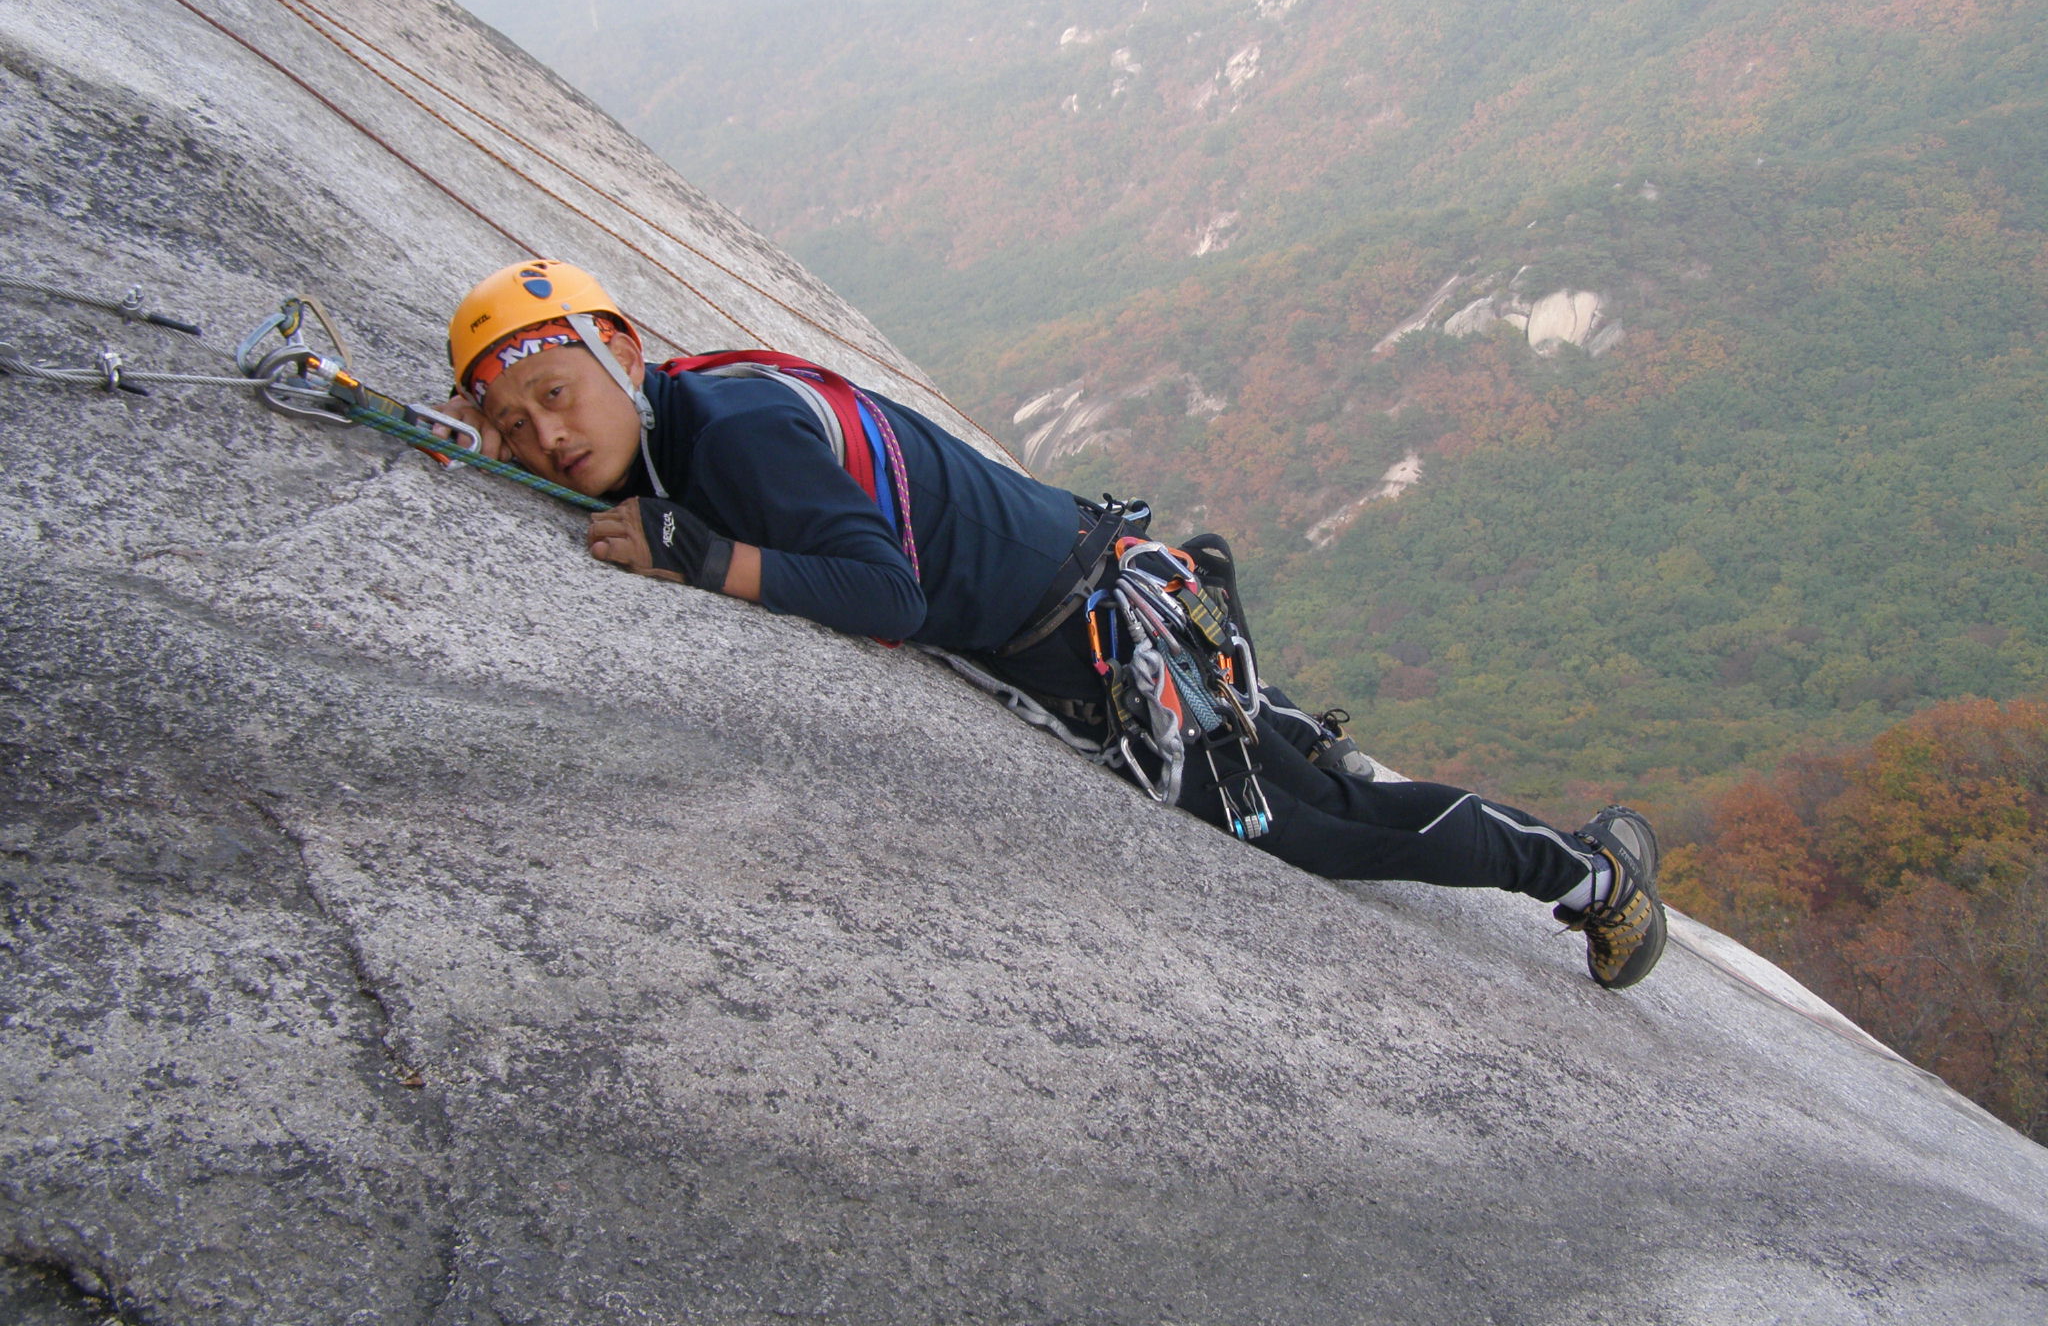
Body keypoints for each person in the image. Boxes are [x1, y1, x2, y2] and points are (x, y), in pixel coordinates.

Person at [437, 259, 1668, 989]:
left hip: (1096, 638)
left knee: (1320, 830)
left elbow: (887, 596)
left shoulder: (735, 435)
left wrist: (700, 559)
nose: (544, 438)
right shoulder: (685, 412)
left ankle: (1591, 872)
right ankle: (1512, 828)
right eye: (510, 428)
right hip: (1107, 589)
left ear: (619, 351)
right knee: (1311, 773)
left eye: (553, 395)